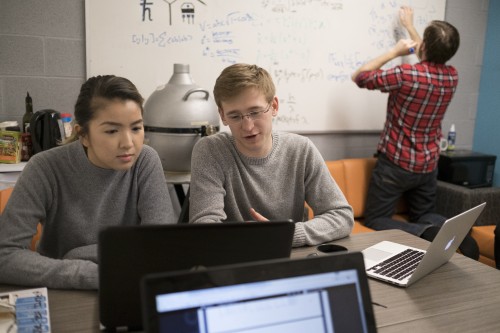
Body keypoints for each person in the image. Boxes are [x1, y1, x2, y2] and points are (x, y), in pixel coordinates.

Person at [0, 75, 175, 290]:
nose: (128, 143)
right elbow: (5, 256)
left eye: (136, 128)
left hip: (127, 285)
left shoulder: (146, 160)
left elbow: (161, 247)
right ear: (83, 134)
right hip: (64, 291)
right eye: (112, 131)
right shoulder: (44, 168)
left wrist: (77, 255)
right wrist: (94, 274)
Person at [351, 7, 478, 259]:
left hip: (395, 165)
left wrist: (395, 51)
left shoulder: (406, 74)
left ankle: (423, 232)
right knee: (423, 213)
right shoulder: (452, 76)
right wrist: (410, 26)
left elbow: (361, 77)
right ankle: (449, 230)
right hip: (428, 165)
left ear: (424, 48)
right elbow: (430, 53)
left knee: (376, 218)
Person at [189, 63, 354, 247]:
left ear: (274, 106)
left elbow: (342, 216)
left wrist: (284, 235)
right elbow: (203, 229)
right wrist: (252, 238)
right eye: (235, 116)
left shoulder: (301, 149)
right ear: (222, 115)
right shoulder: (210, 150)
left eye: (255, 112)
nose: (248, 126)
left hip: (288, 256)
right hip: (233, 258)